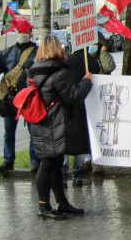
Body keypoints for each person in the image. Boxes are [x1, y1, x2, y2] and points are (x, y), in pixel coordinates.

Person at [28, 34, 93, 219]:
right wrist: (86, 81)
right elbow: (74, 97)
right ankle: (44, 206)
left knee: (55, 164)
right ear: (57, 49)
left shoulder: (33, 71)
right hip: (55, 124)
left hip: (40, 122)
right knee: (49, 164)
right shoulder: (59, 73)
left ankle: (62, 203)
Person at [0, 16, 40, 172]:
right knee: (9, 131)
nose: (22, 34)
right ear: (15, 32)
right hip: (11, 98)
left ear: (31, 33)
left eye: (25, 31)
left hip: (29, 96)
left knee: (33, 131)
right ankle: (8, 160)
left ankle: (34, 161)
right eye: (19, 31)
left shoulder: (37, 52)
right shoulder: (7, 52)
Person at [62, 48, 100, 188]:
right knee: (79, 142)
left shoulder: (66, 61)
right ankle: (77, 175)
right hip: (85, 106)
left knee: (65, 142)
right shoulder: (91, 62)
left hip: (67, 106)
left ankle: (63, 175)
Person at [84, 32, 116, 174]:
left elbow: (108, 67)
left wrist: (103, 53)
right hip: (87, 97)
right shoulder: (84, 58)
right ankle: (86, 159)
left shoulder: (103, 57)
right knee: (87, 130)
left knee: (99, 131)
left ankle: (98, 162)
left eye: (95, 44)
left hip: (101, 100)